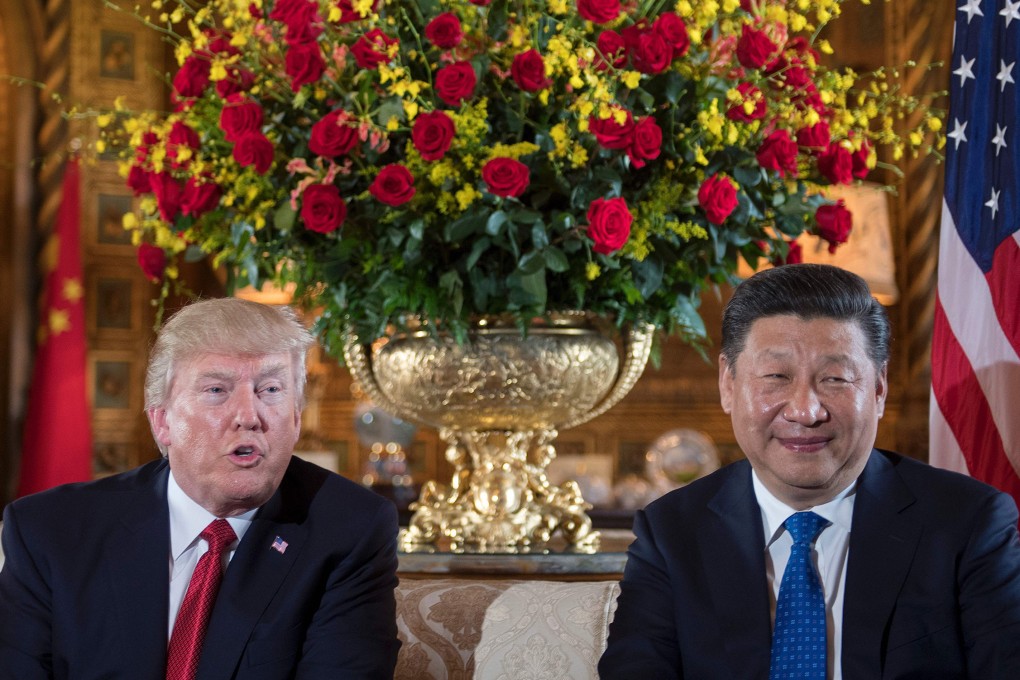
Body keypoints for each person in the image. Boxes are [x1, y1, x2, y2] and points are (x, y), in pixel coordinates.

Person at [598, 263, 1020, 679]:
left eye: (835, 378)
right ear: (728, 384)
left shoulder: (969, 524)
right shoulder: (671, 531)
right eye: (776, 376)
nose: (806, 411)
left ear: (878, 388)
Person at [0, 297, 401, 679]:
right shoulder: (50, 533)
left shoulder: (351, 530)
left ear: (296, 417)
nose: (249, 416)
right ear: (162, 421)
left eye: (271, 390)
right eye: (216, 390)